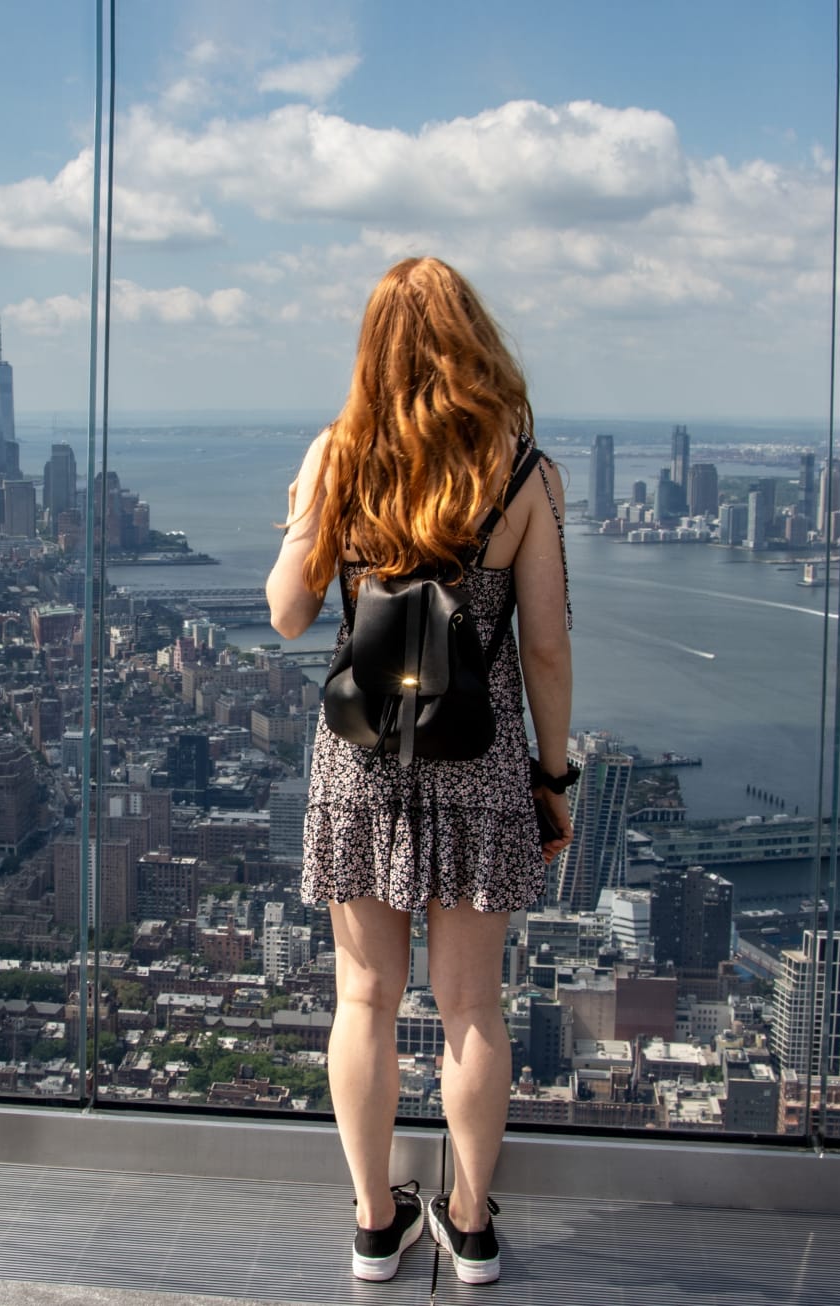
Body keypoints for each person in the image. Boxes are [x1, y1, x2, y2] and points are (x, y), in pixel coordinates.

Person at [264, 256, 574, 1286]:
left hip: (361, 758)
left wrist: (308, 509)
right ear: (474, 341)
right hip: (479, 760)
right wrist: (552, 778)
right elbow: (545, 648)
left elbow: (287, 613)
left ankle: (373, 1222)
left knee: (363, 998)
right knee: (473, 1006)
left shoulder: (339, 455)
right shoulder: (524, 473)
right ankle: (471, 1224)